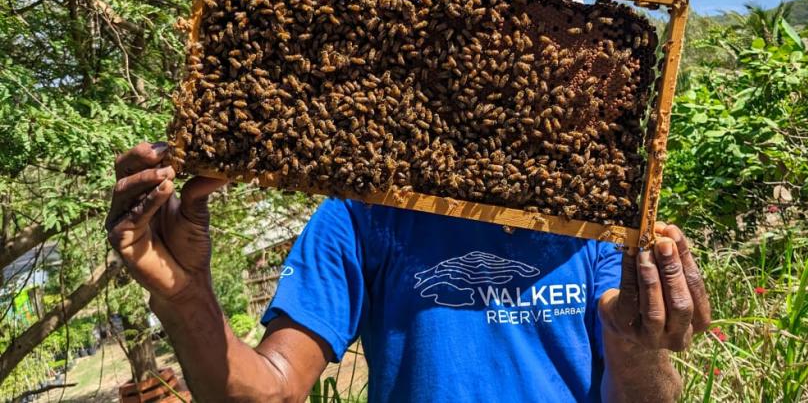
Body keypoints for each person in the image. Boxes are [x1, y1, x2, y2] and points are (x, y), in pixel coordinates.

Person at [106, 142, 711, 402]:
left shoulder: (597, 226)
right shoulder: (360, 215)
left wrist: (638, 341)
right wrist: (187, 299)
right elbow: (267, 391)